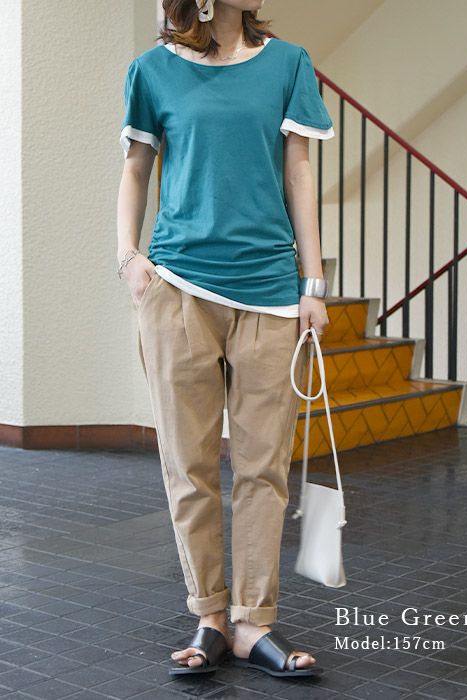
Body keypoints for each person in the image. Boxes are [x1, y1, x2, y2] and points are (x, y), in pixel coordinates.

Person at [116, 0, 334, 679]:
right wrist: (129, 259)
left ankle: (252, 624)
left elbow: (299, 172)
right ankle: (209, 615)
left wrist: (313, 282)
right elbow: (136, 167)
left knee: (264, 469)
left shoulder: (289, 65)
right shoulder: (152, 70)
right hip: (178, 288)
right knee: (190, 465)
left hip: (270, 291)